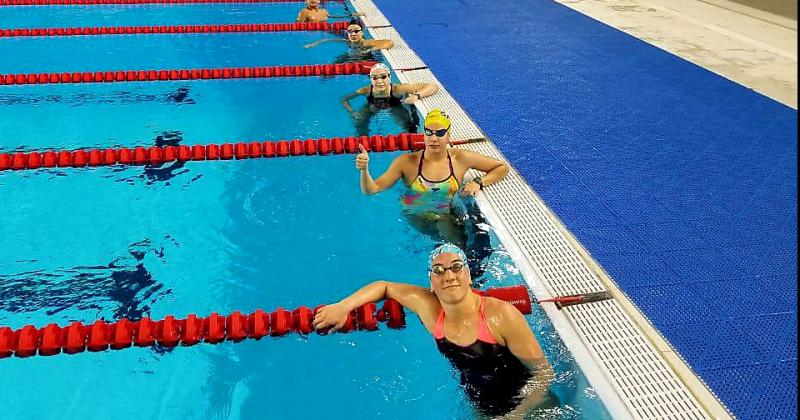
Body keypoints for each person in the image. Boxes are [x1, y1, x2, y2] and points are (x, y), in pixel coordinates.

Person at [313, 244, 555, 417]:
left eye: (456, 267)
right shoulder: (430, 310)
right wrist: (342, 307)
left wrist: (516, 416)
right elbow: (384, 286)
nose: (448, 275)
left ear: (469, 276)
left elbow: (544, 375)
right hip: (480, 405)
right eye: (438, 270)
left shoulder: (499, 315)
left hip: (532, 406)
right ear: (431, 282)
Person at [355, 108, 508, 243]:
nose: (433, 138)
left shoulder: (460, 159)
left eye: (440, 133)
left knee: (459, 245)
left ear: (448, 135)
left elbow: (501, 167)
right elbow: (371, 189)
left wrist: (479, 182)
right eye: (429, 132)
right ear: (423, 134)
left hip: (444, 215)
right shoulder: (406, 162)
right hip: (416, 217)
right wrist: (364, 170)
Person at [342, 63, 437, 135]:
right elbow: (344, 99)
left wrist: (416, 96)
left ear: (389, 77)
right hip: (372, 107)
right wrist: (352, 112)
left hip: (394, 106)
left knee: (408, 127)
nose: (379, 81)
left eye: (383, 77)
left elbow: (432, 86)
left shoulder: (397, 89)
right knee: (359, 124)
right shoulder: (366, 90)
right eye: (375, 78)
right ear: (371, 79)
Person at [303, 19, 394, 53]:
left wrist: (371, 49)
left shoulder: (366, 43)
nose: (353, 34)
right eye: (350, 31)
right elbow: (327, 40)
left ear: (362, 32)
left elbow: (390, 42)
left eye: (356, 31)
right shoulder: (347, 40)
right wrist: (314, 43)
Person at [297, 0, 363, 23]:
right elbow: (298, 26)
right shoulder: (304, 12)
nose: (313, 0)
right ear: (306, 1)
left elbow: (334, 17)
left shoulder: (324, 11)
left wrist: (351, 15)